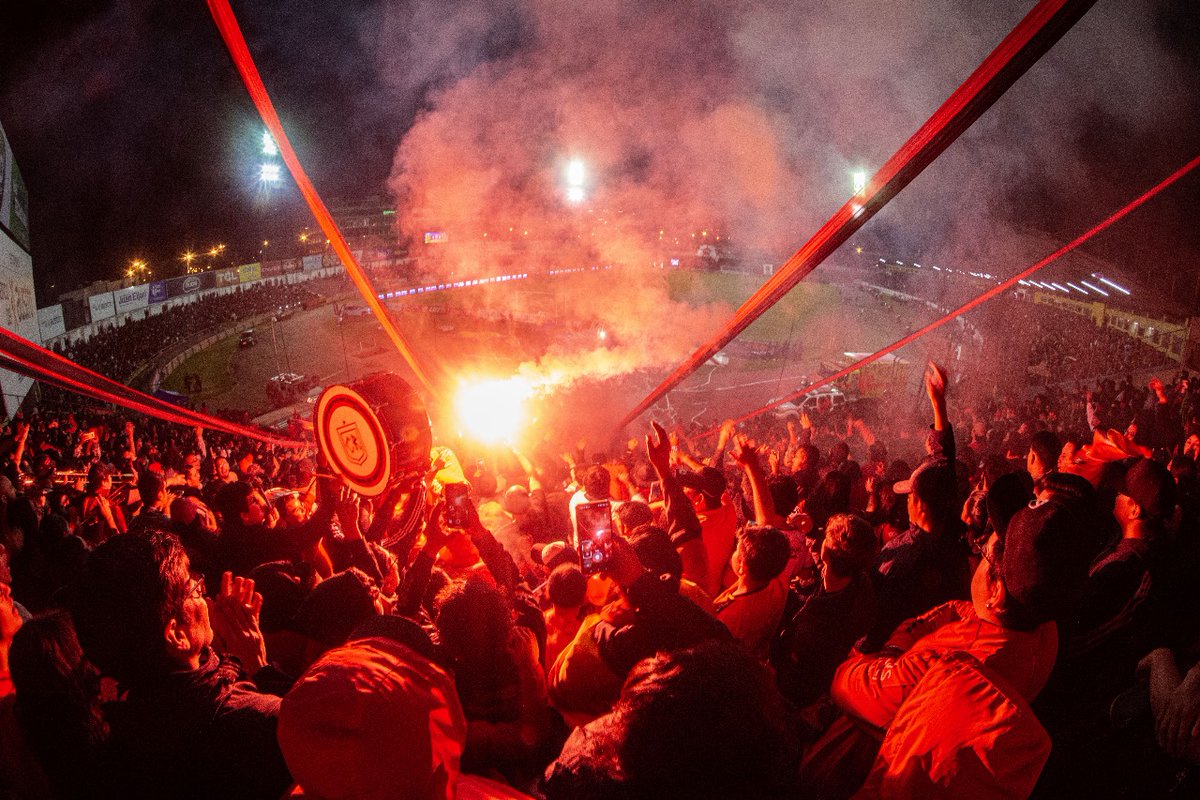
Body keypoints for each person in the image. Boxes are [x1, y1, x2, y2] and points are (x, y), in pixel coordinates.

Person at [69, 530, 292, 799]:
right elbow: (318, 729)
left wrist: (224, 659)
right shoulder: (261, 723)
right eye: (192, 589)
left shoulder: (112, 731)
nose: (204, 597)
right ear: (176, 634)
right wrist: (260, 667)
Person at [772, 513, 878, 709]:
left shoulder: (819, 623)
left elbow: (795, 669)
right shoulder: (858, 581)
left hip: (794, 691)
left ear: (827, 553)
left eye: (826, 538)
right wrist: (812, 532)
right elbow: (828, 565)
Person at [712, 525, 791, 659]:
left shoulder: (728, 617)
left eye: (736, 551)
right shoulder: (780, 583)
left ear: (743, 567)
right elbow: (769, 546)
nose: (733, 553)